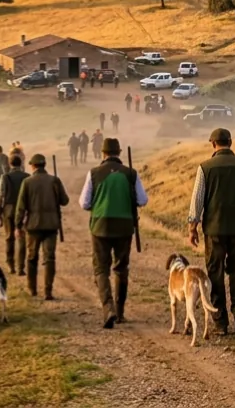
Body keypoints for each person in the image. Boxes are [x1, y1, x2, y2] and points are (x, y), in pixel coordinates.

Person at [187, 128, 235, 335]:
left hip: (214, 229)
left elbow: (197, 201)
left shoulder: (205, 167)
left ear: (213, 144)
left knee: (215, 272)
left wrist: (192, 226)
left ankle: (220, 320)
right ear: (230, 142)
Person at [82, 138, 148, 329]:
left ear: (102, 153)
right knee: (121, 268)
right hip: (125, 226)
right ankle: (120, 312)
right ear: (119, 153)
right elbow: (142, 200)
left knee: (101, 269)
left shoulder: (94, 173)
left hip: (100, 226)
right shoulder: (130, 173)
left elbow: (84, 203)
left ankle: (108, 309)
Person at [14, 154, 69, 300]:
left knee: (32, 258)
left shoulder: (27, 182)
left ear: (32, 166)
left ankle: (32, 289)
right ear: (44, 165)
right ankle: (48, 291)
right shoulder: (54, 180)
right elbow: (65, 201)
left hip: (33, 226)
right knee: (49, 258)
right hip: (51, 225)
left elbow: (21, 207)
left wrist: (18, 225)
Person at [0, 155, 31, 276]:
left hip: (8, 209)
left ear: (10, 164)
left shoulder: (5, 177)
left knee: (9, 237)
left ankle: (10, 265)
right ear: (20, 164)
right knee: (21, 238)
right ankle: (21, 267)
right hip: (23, 209)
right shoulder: (27, 177)